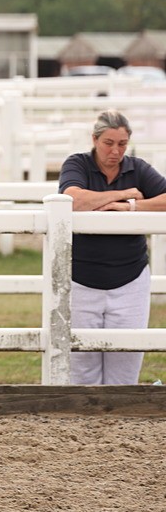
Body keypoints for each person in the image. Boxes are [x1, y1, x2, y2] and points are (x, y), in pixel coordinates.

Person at [58, 109, 166, 384]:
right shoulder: (77, 164)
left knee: (126, 366)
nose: (115, 151)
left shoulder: (137, 168)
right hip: (81, 279)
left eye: (121, 144)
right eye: (108, 143)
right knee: (81, 368)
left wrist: (132, 206)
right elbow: (72, 199)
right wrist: (124, 193)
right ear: (94, 140)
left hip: (130, 278)